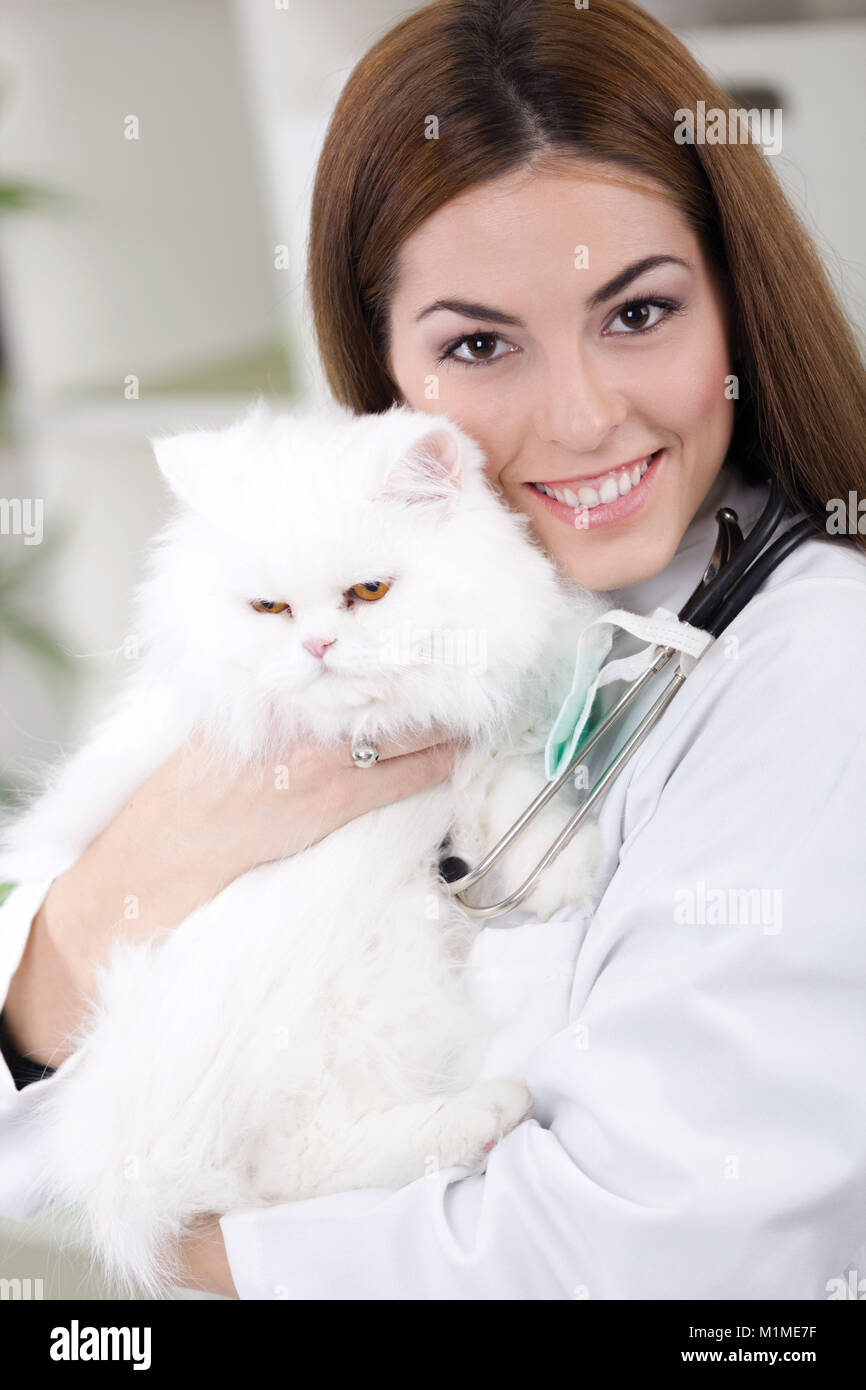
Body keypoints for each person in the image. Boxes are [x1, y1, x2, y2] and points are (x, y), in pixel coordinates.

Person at [2, 0, 865, 1300]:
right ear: (388, 371)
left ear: (734, 308)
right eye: (477, 343)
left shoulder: (817, 674)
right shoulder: (335, 619)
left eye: (636, 313)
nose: (580, 417)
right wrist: (149, 859)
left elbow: (644, 1248)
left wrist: (205, 1256)